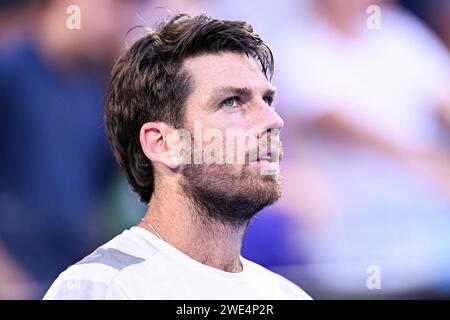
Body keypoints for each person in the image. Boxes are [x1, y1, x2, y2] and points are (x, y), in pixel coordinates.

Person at [43, 13, 311, 300]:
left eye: (267, 100)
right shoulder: (98, 288)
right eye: (232, 101)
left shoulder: (287, 294)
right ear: (162, 143)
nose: (273, 120)